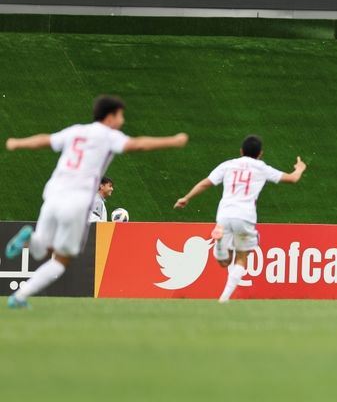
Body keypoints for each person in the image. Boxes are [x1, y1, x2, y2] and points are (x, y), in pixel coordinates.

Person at [4, 95, 188, 308]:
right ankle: (19, 296)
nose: (122, 120)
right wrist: (173, 141)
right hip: (76, 202)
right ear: (110, 117)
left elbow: (45, 140)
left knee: (40, 250)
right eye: (120, 115)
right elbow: (137, 145)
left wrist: (18, 142)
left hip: (53, 194)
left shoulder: (76, 131)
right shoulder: (109, 136)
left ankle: (26, 254)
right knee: (61, 261)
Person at [174, 135, 306, 303]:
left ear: (241, 151)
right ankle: (224, 298)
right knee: (242, 258)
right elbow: (292, 178)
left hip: (224, 215)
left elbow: (206, 183)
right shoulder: (261, 167)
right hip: (245, 216)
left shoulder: (228, 165)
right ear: (261, 153)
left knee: (224, 262)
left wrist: (186, 197)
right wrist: (300, 168)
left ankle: (220, 242)